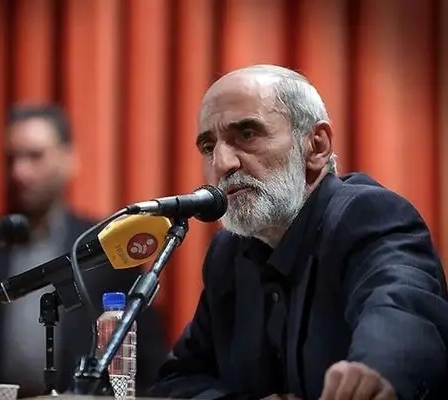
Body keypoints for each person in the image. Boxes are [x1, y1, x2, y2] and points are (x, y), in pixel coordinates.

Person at [149, 65, 448, 400]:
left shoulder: (368, 216)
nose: (222, 164)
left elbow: (402, 306)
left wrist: (375, 371)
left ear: (316, 146)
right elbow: (176, 381)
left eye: (247, 135)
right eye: (208, 147)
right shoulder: (228, 253)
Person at [0, 104, 168, 399]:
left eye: (35, 156)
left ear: (69, 159)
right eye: (11, 158)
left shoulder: (109, 247)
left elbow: (148, 360)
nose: (19, 172)